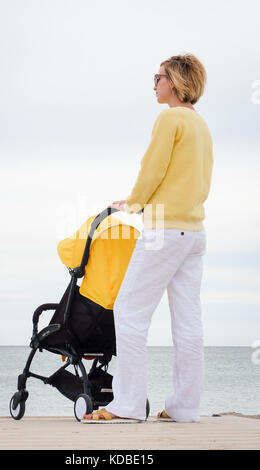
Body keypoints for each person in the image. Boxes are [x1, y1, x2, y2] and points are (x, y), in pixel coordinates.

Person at [83, 53, 213, 423]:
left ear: (173, 81)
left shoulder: (169, 118)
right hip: (194, 232)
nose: (153, 84)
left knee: (130, 311)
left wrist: (135, 204)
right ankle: (185, 407)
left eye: (157, 77)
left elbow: (152, 167)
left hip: (165, 228)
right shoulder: (201, 126)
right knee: (188, 322)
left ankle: (126, 405)